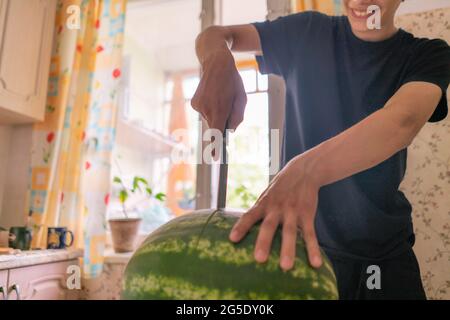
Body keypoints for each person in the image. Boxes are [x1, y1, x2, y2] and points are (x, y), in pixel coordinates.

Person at [191, 0, 450, 299]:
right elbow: (214, 34)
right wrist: (217, 59)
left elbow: (402, 121)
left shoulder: (428, 54)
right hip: (299, 254)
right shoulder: (306, 32)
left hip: (386, 261)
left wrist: (304, 170)